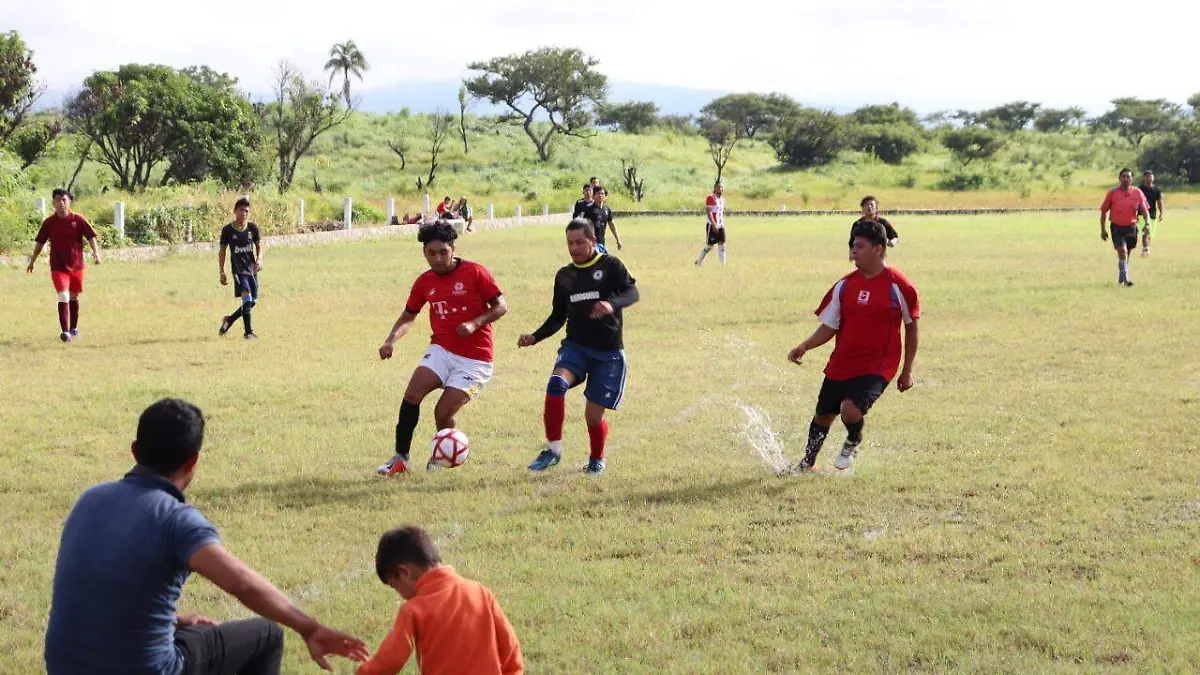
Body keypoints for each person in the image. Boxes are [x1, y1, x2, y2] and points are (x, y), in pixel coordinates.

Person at [45, 398, 369, 675]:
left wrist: (172, 621)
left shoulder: (89, 498)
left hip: (63, 667)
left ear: (134, 451)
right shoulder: (176, 519)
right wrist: (310, 628)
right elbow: (241, 582)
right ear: (193, 462)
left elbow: (102, 586)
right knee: (266, 635)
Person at [787, 221, 920, 473]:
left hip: (878, 364)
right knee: (823, 416)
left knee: (849, 410)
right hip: (843, 362)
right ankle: (808, 463)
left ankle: (853, 439)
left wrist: (907, 370)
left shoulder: (899, 285)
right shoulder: (844, 285)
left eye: (859, 245)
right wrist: (805, 345)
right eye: (852, 245)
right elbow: (830, 326)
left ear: (878, 249)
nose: (853, 250)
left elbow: (911, 328)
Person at [377, 220, 508, 476]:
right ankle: (400, 458)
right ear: (424, 252)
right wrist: (390, 339)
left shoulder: (476, 273)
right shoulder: (425, 282)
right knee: (412, 393)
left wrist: (475, 323)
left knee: (443, 412)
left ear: (453, 248)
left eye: (443, 252)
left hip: (475, 359)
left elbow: (501, 306)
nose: (437, 259)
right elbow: (408, 316)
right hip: (441, 350)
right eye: (431, 253)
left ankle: (444, 456)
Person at [519, 218, 639, 476]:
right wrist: (535, 336)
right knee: (556, 384)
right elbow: (558, 316)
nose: (574, 248)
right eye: (570, 243)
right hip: (575, 347)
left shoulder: (611, 266)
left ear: (593, 240)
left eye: (580, 242)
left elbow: (632, 293)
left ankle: (597, 458)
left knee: (593, 417)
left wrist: (611, 304)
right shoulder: (565, 276)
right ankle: (553, 450)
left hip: (608, 354)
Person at [356, 525, 523, 675]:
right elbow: (509, 647)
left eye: (395, 586)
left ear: (404, 573)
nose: (399, 594)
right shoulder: (480, 592)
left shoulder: (413, 610)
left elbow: (391, 659)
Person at [26, 188, 101, 343]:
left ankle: (73, 328)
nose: (61, 203)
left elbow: (91, 237)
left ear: (69, 201)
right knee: (63, 295)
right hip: (58, 267)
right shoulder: (49, 223)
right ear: (53, 203)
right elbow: (40, 242)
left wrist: (96, 253)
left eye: (64, 200)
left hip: (77, 266)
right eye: (58, 200)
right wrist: (32, 260)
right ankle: (65, 332)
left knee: (74, 296)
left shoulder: (78, 220)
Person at [218, 197, 263, 339]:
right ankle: (248, 332)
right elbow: (222, 251)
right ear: (235, 211)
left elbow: (259, 246)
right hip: (238, 270)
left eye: (246, 211)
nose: (244, 213)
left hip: (251, 270)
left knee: (252, 301)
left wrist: (259, 258)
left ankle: (229, 319)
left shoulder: (252, 228)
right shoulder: (227, 230)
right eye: (241, 210)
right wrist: (222, 271)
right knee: (247, 298)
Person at [1100, 168, 1151, 286]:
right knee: (1122, 251)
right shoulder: (1112, 193)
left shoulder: (1137, 193)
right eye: (1123, 176)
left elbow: (1144, 211)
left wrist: (1147, 223)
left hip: (1131, 227)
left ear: (1132, 179)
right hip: (1117, 227)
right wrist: (1103, 229)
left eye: (1128, 177)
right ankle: (1126, 279)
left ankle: (1121, 276)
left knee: (1127, 252)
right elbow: (1103, 212)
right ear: (1119, 179)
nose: (1125, 179)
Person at [848, 195, 898, 259]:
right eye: (866, 205)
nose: (869, 207)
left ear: (876, 208)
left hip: (878, 257)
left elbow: (894, 237)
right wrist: (852, 254)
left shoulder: (882, 223)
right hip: (862, 256)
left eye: (872, 205)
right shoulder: (858, 224)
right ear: (862, 208)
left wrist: (891, 242)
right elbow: (852, 242)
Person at [695, 181, 726, 266]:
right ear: (715, 188)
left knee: (722, 244)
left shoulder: (722, 199)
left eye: (722, 187)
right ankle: (698, 261)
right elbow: (709, 213)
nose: (721, 189)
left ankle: (723, 265)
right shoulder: (710, 198)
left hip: (721, 225)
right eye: (719, 187)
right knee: (709, 246)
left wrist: (721, 224)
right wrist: (713, 224)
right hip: (712, 225)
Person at [1139, 170, 1163, 257]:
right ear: (1144, 178)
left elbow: (1159, 202)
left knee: (1149, 234)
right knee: (1146, 231)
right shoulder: (1140, 189)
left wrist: (1161, 212)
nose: (1148, 178)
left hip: (1152, 214)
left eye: (1150, 176)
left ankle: (1146, 248)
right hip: (1142, 214)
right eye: (1147, 176)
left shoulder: (1156, 190)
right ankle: (1146, 249)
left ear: (1153, 178)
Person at [591, 187, 624, 252]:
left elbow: (611, 224)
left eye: (602, 194)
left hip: (602, 242)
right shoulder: (589, 210)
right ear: (593, 196)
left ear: (605, 196)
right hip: (592, 243)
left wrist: (618, 240)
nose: (600, 195)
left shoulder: (606, 209)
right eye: (598, 193)